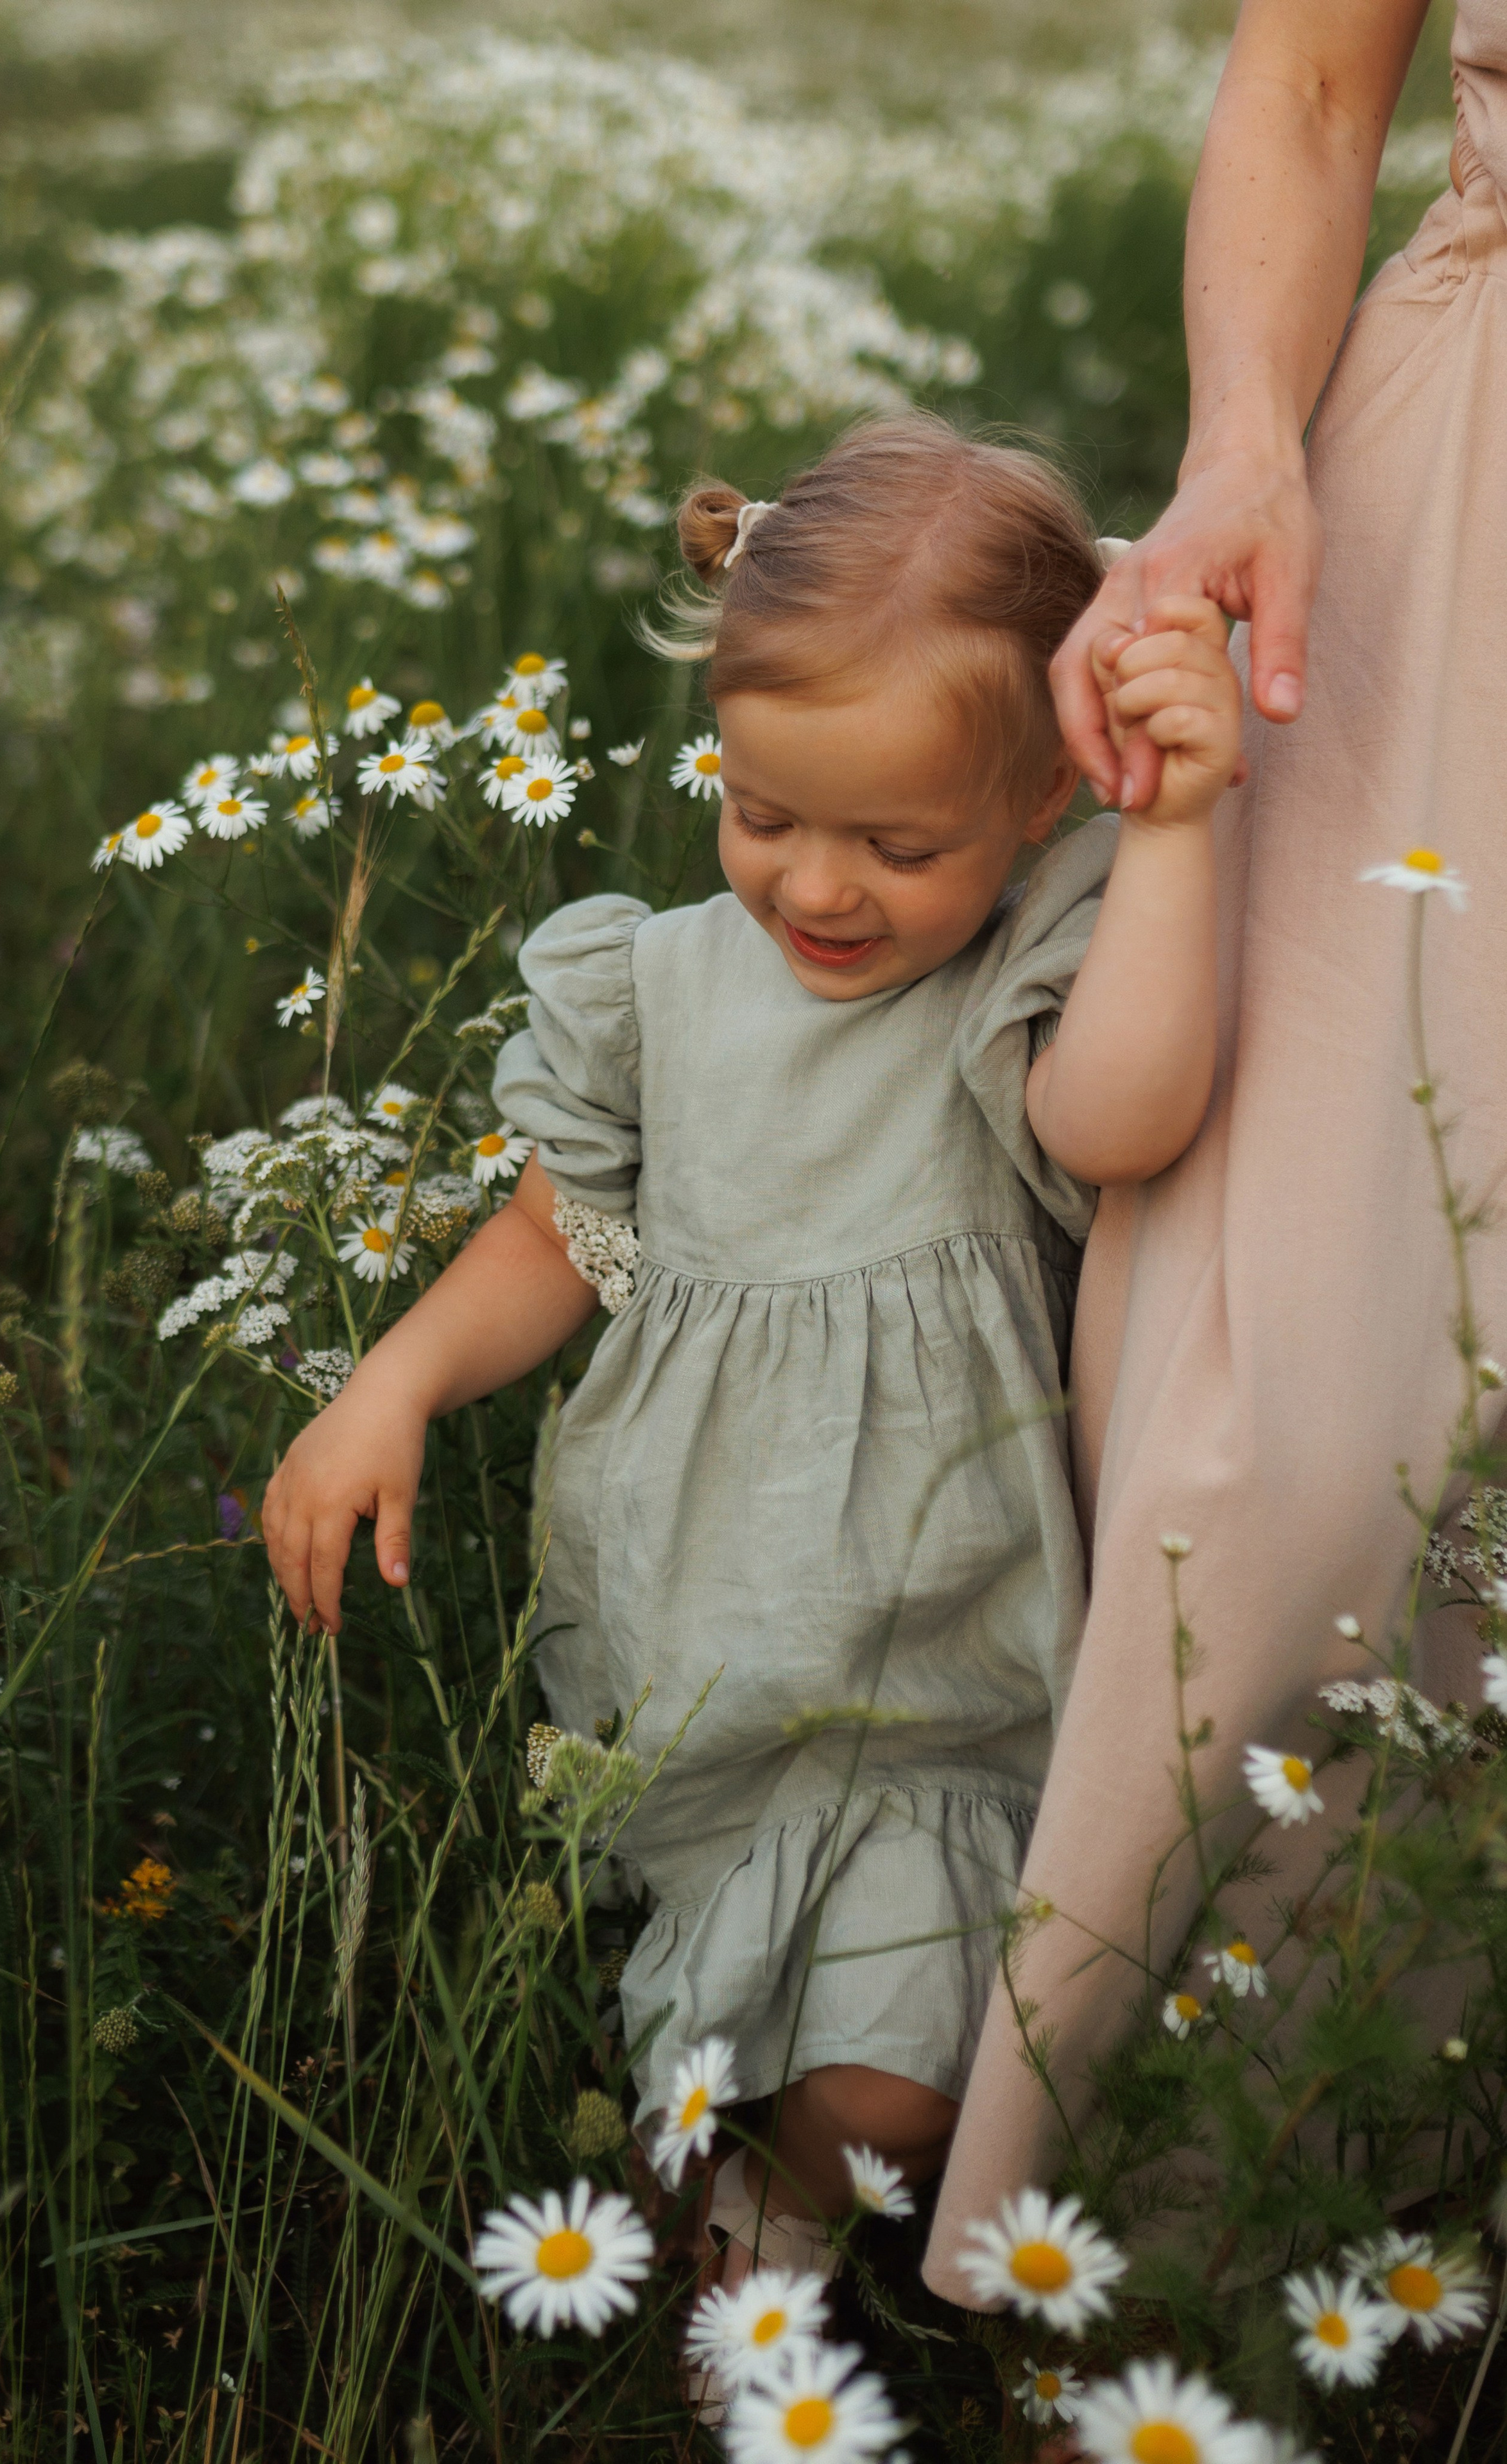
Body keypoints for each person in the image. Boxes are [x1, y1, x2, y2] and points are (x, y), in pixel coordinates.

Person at [264, 413, 1243, 2309]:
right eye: (765, 814)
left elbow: (1128, 1120)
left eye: (899, 843)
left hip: (949, 1667)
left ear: (1046, 794)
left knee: (895, 2090)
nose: (817, 889)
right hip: (704, 1619)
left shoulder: (1030, 973)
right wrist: (394, 1381)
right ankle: (700, 2156)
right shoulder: (661, 984)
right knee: (713, 1975)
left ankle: (772, 2211)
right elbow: (562, 1238)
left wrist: (1180, 828)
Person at [925, 0, 1507, 2297]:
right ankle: (1175, 2237)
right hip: (1468, 508)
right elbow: (1311, 85)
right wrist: (1245, 440)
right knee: (1295, 1440)